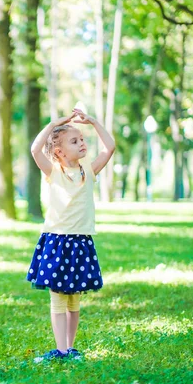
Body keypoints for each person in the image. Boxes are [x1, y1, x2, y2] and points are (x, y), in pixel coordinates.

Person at [27, 108, 115, 363]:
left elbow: (109, 148)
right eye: (74, 141)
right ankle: (61, 350)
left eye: (82, 139)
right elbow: (35, 149)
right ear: (59, 152)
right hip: (57, 241)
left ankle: (70, 349)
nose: (82, 144)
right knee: (58, 299)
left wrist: (94, 121)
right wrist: (56, 123)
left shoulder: (89, 170)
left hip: (81, 242)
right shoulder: (53, 171)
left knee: (74, 301)